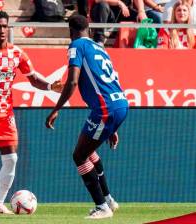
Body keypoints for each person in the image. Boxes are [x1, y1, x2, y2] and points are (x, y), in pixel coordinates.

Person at [0, 10, 62, 214]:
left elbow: (33, 78)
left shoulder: (17, 53)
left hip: (5, 113)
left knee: (12, 159)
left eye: (5, 26)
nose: (2, 30)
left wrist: (51, 87)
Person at [45, 15, 129, 219]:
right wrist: (113, 127)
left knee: (79, 155)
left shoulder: (76, 46)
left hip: (105, 109)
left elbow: (72, 81)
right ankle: (108, 199)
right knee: (88, 151)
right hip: (119, 104)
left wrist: (56, 109)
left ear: (70, 31)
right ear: (89, 29)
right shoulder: (100, 48)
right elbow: (109, 81)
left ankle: (102, 207)